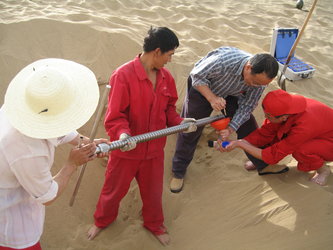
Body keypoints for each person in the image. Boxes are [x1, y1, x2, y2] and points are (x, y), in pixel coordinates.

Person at [87, 27, 196, 246]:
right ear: (157, 51)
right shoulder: (123, 75)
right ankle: (102, 220)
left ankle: (154, 224)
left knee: (153, 194)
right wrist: (123, 135)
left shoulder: (166, 78)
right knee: (113, 190)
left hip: (154, 151)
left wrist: (180, 123)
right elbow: (115, 116)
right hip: (126, 151)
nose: (170, 60)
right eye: (170, 55)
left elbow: (169, 111)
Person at [0, 58, 109, 250]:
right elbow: (47, 195)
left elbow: (57, 126)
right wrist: (71, 164)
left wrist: (86, 143)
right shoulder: (26, 148)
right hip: (14, 229)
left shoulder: (26, 109)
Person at [170, 46, 282, 193]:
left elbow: (246, 107)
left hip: (232, 93)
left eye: (261, 85)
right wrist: (212, 98)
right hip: (203, 88)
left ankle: (262, 163)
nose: (256, 86)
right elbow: (196, 76)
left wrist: (231, 128)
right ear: (248, 67)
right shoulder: (224, 61)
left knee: (248, 125)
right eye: (255, 82)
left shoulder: (259, 82)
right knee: (191, 126)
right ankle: (178, 171)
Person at [217, 89, 333, 186]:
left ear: (283, 117)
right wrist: (240, 142)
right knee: (273, 131)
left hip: (329, 141)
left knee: (301, 150)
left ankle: (323, 170)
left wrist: (241, 144)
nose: (265, 116)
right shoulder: (285, 106)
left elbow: (274, 154)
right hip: (316, 132)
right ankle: (260, 158)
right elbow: (265, 133)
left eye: (268, 115)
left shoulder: (304, 127)